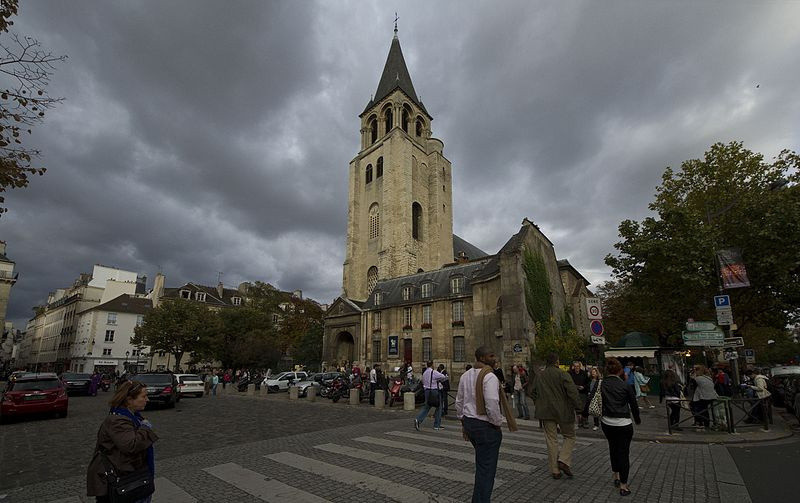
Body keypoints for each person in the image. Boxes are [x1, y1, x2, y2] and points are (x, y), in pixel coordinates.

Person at [456, 346, 517, 502]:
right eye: (491, 355)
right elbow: (491, 403)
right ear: (482, 358)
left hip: (470, 424)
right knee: (486, 470)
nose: (495, 358)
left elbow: (459, 401)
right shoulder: (489, 377)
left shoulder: (466, 375)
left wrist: (463, 420)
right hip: (485, 427)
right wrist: (497, 423)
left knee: (482, 465)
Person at [87, 380, 158, 502]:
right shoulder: (117, 420)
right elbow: (131, 445)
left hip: (133, 477)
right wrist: (145, 428)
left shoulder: (133, 416)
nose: (147, 400)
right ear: (129, 400)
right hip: (124, 481)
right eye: (144, 396)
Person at [531, 353, 582, 479]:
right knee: (569, 436)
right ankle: (563, 460)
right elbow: (572, 392)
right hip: (563, 411)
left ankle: (555, 470)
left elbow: (533, 392)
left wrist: (539, 402)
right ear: (557, 362)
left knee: (551, 440)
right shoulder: (563, 374)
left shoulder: (540, 376)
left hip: (546, 412)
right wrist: (579, 407)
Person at [600, 358, 641, 497]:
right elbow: (634, 405)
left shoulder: (602, 384)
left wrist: (585, 413)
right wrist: (637, 420)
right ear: (620, 371)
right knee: (624, 453)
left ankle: (616, 476)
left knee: (613, 448)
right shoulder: (625, 386)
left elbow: (590, 400)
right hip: (623, 423)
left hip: (607, 422)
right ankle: (624, 485)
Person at [414, 361, 448, 431]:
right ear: (432, 365)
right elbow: (443, 377)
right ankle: (437, 425)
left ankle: (418, 419)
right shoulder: (434, 372)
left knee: (427, 406)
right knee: (439, 407)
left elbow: (423, 381)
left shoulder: (425, 373)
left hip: (427, 391)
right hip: (434, 391)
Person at [690, 365, 718, 430]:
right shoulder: (709, 378)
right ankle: (706, 423)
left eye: (696, 369)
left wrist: (694, 371)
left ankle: (700, 423)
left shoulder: (698, 378)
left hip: (703, 397)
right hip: (712, 396)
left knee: (697, 409)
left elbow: (692, 377)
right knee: (704, 410)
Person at [569, 361, 590, 427]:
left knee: (583, 407)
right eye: (575, 366)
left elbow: (588, 382)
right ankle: (579, 421)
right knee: (576, 408)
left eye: (578, 366)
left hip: (583, 392)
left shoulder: (584, 373)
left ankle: (585, 421)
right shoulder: (570, 373)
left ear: (579, 366)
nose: (576, 368)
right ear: (573, 367)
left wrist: (583, 387)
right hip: (574, 392)